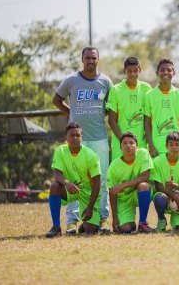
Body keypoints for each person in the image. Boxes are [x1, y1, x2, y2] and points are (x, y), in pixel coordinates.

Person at [52, 46, 112, 234]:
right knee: (74, 180)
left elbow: (110, 108)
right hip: (78, 140)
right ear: (82, 59)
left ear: (98, 59)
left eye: (94, 58)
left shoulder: (106, 81)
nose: (90, 61)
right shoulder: (71, 80)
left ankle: (102, 218)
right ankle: (71, 221)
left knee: (101, 180)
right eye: (87, 58)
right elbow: (56, 100)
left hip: (99, 138)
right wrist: (72, 115)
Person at [45, 122, 101, 238]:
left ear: (82, 137)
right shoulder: (60, 151)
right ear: (66, 137)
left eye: (77, 135)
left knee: (91, 230)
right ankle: (56, 227)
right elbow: (57, 174)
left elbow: (97, 183)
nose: (75, 138)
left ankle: (84, 225)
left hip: (87, 193)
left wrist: (90, 207)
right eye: (71, 135)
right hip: (69, 189)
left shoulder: (92, 156)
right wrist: (67, 183)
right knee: (55, 186)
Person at [144, 59, 179, 159]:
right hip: (157, 148)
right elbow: (147, 123)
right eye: (162, 70)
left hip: (176, 148)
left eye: (169, 70)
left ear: (174, 73)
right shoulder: (149, 95)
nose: (166, 72)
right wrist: (151, 147)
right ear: (157, 73)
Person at [107, 132, 153, 234]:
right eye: (125, 143)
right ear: (120, 147)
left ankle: (142, 223)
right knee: (125, 229)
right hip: (124, 200)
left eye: (131, 143)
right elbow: (113, 192)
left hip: (139, 193)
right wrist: (115, 219)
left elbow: (145, 176)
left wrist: (123, 185)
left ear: (137, 146)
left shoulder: (143, 153)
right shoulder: (113, 166)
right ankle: (131, 223)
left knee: (144, 186)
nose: (128, 145)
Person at [107, 57, 152, 161]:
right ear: (124, 71)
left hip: (140, 143)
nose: (132, 74)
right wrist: (123, 140)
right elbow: (111, 120)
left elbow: (149, 118)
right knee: (120, 175)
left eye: (135, 71)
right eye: (129, 71)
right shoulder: (116, 90)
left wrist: (148, 139)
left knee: (141, 174)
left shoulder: (146, 88)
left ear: (140, 70)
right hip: (120, 143)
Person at [152, 132, 179, 232]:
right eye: (171, 144)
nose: (174, 147)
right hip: (164, 197)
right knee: (159, 199)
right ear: (166, 146)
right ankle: (161, 220)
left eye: (177, 144)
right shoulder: (158, 161)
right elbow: (158, 186)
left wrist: (177, 187)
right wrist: (174, 195)